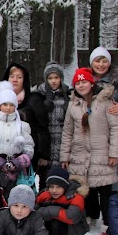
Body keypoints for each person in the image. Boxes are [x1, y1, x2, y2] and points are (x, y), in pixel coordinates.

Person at [60, 68, 118, 235]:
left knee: (105, 190)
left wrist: (114, 153)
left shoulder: (105, 102)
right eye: (78, 83)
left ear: (91, 82)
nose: (81, 85)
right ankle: (91, 216)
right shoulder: (73, 105)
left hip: (101, 153)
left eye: (84, 82)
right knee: (87, 188)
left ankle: (109, 223)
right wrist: (65, 155)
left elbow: (116, 128)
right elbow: (67, 131)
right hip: (80, 154)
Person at [89, 47, 118, 193]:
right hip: (89, 136)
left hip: (111, 138)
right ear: (91, 63)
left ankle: (113, 209)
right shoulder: (84, 80)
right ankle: (91, 210)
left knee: (112, 177)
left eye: (104, 61)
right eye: (97, 61)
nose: (101, 65)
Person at [0, 81, 35, 192]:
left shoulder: (22, 126)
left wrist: (18, 163)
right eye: (5, 104)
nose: (8, 108)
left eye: (11, 105)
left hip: (17, 173)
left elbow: (29, 149)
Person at [35, 167, 88, 235]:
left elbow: (72, 217)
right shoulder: (45, 195)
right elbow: (33, 211)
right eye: (51, 187)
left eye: (58, 187)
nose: (54, 190)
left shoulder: (76, 196)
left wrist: (49, 211)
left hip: (71, 228)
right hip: (50, 228)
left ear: (65, 186)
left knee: (57, 222)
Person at [1, 63, 49, 175]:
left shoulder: (33, 100)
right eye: (12, 76)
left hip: (29, 156)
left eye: (19, 77)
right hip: (3, 158)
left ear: (24, 80)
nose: (15, 80)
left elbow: (42, 128)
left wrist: (43, 154)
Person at [35, 62, 71, 190]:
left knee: (61, 182)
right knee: (45, 182)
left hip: (62, 143)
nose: (53, 81)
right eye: (50, 78)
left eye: (56, 78)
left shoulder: (68, 95)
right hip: (46, 146)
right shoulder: (39, 95)